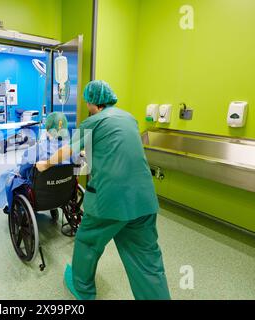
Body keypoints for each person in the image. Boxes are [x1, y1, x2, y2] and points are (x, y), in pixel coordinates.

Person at [36, 80, 171, 300]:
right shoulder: (129, 118)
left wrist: (44, 164)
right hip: (143, 199)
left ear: (92, 101)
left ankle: (82, 288)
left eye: (87, 101)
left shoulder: (93, 122)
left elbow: (69, 150)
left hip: (110, 201)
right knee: (147, 259)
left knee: (87, 243)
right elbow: (117, 151)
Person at [0, 112, 72, 212]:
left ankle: (11, 208)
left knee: (8, 177)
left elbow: (22, 171)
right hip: (63, 191)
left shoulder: (37, 149)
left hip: (39, 192)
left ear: (47, 128)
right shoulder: (72, 149)